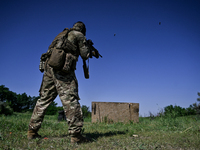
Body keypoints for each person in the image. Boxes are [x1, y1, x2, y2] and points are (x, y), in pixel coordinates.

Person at [27, 21, 97, 143]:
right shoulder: (79, 35)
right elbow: (85, 55)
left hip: (49, 68)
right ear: (83, 29)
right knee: (70, 100)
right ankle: (76, 136)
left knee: (43, 99)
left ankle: (32, 131)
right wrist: (90, 50)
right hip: (63, 70)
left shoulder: (62, 34)